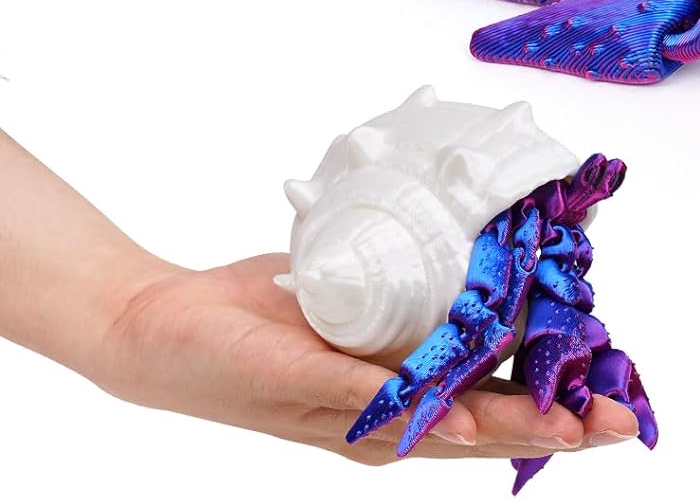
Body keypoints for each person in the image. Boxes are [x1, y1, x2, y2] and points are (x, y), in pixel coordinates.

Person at [0, 128, 640, 463]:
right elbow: (490, 308)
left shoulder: (541, 226)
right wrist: (119, 317)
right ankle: (424, 388)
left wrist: (121, 307)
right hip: (462, 255)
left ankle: (587, 391)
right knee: (493, 312)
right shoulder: (514, 233)